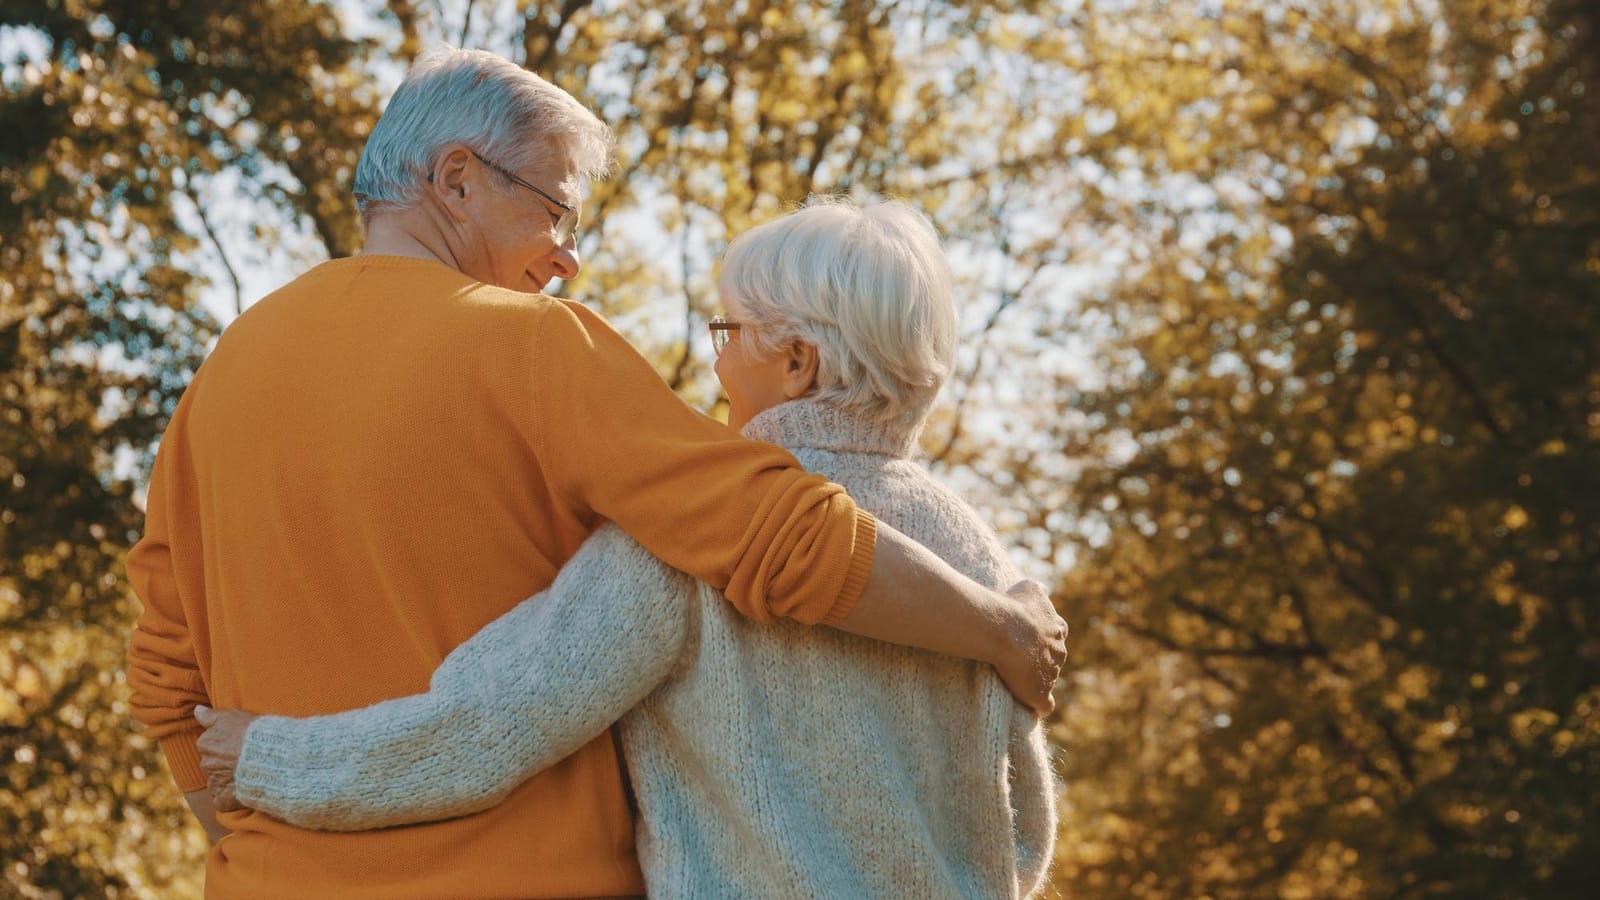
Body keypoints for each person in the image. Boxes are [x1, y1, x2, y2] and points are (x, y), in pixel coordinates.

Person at [125, 48, 1066, 899]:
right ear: (457, 180)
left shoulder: (222, 374)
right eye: (555, 208)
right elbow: (780, 534)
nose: (569, 253)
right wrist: (1001, 629)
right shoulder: (531, 346)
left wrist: (265, 839)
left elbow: (167, 679)